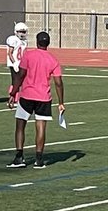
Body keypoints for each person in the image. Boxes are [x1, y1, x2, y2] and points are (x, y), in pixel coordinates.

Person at [7, 31, 65, 169]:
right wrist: (61, 102)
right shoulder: (53, 59)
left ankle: (19, 157)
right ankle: (39, 159)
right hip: (44, 97)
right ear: (48, 43)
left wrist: (13, 92)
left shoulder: (28, 55)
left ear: (37, 42)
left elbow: (20, 75)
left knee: (20, 126)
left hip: (26, 95)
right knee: (41, 127)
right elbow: (58, 82)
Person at [5, 22, 29, 98]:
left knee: (19, 82)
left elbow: (24, 54)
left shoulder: (25, 41)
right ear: (16, 31)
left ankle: (16, 98)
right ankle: (12, 97)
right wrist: (14, 63)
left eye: (23, 32)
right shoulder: (13, 39)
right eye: (20, 31)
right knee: (15, 81)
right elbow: (10, 53)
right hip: (14, 64)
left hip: (21, 63)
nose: (22, 34)